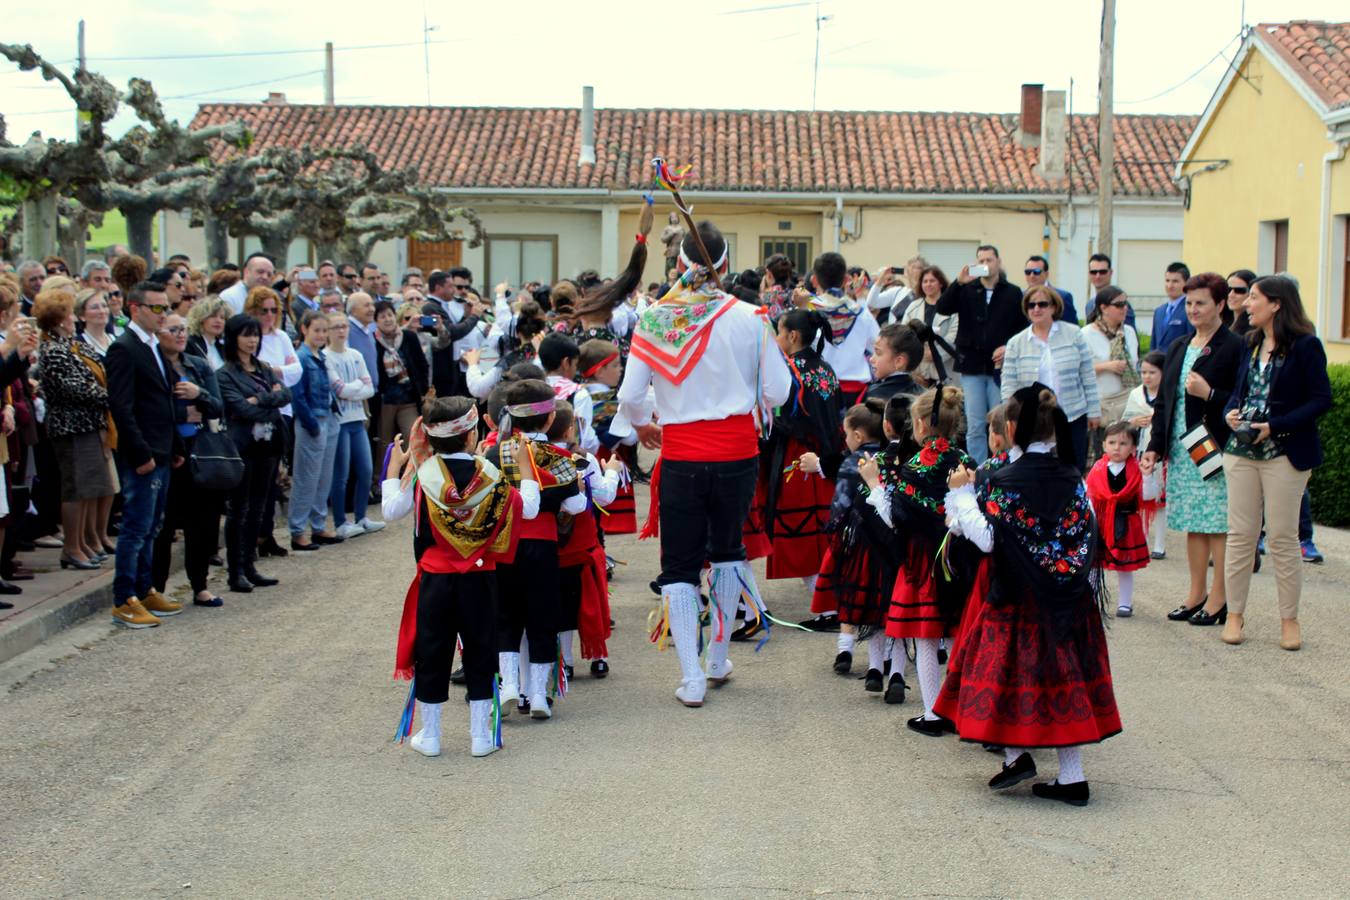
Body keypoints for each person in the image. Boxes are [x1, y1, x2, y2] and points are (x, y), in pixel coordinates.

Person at [619, 218, 792, 707]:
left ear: (679, 265)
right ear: (726, 265)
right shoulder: (752, 317)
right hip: (738, 450)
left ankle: (691, 675)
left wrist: (643, 425)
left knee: (679, 563)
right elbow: (778, 391)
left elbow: (632, 396)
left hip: (682, 453)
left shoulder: (655, 318)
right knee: (728, 550)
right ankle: (718, 656)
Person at [938, 385, 1121, 807]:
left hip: (1018, 598)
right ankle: (1069, 777)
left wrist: (963, 496)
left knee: (1009, 680)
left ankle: (1018, 756)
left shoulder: (1004, 481)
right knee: (1064, 682)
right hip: (1067, 598)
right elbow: (1086, 529)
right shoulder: (1073, 477)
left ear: (1012, 428)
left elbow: (986, 541)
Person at [382, 396, 530, 758]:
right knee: (481, 650)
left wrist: (393, 471)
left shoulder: (423, 475)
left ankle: (430, 735)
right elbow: (525, 509)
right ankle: (481, 736)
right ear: (471, 435)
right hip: (480, 578)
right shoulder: (491, 478)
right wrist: (526, 474)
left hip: (436, 579)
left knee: (432, 652)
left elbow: (390, 511)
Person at [1220, 275, 1332, 651]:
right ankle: (1234, 615)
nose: (1246, 304)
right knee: (1240, 537)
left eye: (1253, 298)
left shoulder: (1306, 346)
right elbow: (1239, 392)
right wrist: (1231, 413)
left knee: (1283, 538)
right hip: (1241, 452)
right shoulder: (1249, 342)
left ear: (1277, 304)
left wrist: (1275, 426)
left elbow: (1321, 400)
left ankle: (1289, 621)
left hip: (1285, 453)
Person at [861, 386, 971, 732]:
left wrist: (874, 485)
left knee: (926, 637)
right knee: (955, 636)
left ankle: (934, 712)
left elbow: (897, 517)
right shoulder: (964, 460)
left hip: (922, 562)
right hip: (959, 559)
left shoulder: (916, 466)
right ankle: (966, 710)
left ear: (921, 424)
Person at [1142, 272, 1243, 626]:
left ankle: (1220, 599)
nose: (1193, 309)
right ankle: (1196, 593)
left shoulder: (1234, 346)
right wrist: (1155, 446)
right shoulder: (1179, 345)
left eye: (1201, 303)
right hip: (1183, 448)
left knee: (1217, 523)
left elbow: (1240, 400)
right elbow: (1164, 402)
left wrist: (1210, 394)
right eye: (1189, 303)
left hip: (1214, 445)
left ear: (1220, 304)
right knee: (1192, 524)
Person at [483, 379, 588, 717]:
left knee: (506, 616)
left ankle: (510, 685)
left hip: (505, 545)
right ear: (548, 420)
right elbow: (575, 505)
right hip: (542, 546)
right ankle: (539, 696)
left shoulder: (494, 454)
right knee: (542, 617)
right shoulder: (560, 456)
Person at [104, 281, 184, 628]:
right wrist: (140, 453)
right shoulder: (124, 348)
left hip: (164, 448)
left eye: (165, 307)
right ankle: (124, 599)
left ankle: (145, 588)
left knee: (153, 526)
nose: (162, 314)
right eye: (156, 308)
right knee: (135, 528)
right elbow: (121, 406)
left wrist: (176, 446)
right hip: (143, 453)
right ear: (134, 309)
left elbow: (165, 399)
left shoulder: (154, 345)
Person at [798, 401, 885, 677]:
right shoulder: (886, 458)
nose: (844, 440)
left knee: (848, 593)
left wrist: (833, 527)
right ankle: (878, 660)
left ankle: (845, 649)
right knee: (875, 596)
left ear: (857, 436)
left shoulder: (851, 461)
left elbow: (842, 501)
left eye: (846, 434)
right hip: (880, 539)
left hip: (852, 539)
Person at [35, 288, 118, 572]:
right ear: (58, 320)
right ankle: (72, 547)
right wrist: (112, 397)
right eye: (69, 314)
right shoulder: (53, 350)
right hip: (71, 427)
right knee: (76, 489)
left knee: (89, 489)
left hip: (90, 424)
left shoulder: (72, 345)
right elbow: (74, 389)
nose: (73, 318)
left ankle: (82, 543)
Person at [149, 314, 227, 608]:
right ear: (158, 333)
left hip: (199, 451)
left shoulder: (198, 365)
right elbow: (149, 408)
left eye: (183, 329)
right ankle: (156, 588)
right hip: (168, 453)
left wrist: (199, 394)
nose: (180, 335)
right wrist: (182, 414)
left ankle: (200, 585)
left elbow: (217, 406)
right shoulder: (153, 365)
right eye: (173, 329)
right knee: (164, 525)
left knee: (203, 523)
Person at [761, 308, 843, 585]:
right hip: (825, 453)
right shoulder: (825, 367)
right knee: (820, 524)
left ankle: (827, 602)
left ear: (792, 336)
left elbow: (779, 415)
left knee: (801, 526)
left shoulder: (789, 370)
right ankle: (827, 597)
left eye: (779, 333)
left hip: (798, 455)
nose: (776, 339)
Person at [216, 314, 291, 592]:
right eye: (246, 335)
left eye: (255, 335)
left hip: (268, 445)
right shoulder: (225, 374)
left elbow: (285, 396)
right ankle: (235, 570)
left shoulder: (263, 368)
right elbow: (239, 409)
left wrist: (260, 398)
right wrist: (267, 402)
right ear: (233, 338)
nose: (252, 340)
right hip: (243, 447)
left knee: (260, 507)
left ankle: (250, 565)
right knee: (240, 509)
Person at [936, 244, 1027, 463]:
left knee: (1000, 419)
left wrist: (1008, 348)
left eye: (989, 260)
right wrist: (958, 283)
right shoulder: (967, 288)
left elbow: (1023, 327)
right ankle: (976, 467)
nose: (985, 265)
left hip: (1000, 367)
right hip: (972, 365)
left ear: (998, 262)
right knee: (975, 423)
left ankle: (1002, 462)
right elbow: (942, 308)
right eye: (981, 261)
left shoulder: (1012, 292)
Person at [1000, 285, 1101, 470]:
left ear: (1054, 307)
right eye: (1031, 305)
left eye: (1042, 304)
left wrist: (1094, 410)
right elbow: (1009, 384)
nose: (1036, 309)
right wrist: (1012, 415)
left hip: (1071, 414)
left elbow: (1087, 374)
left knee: (1072, 467)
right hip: (1032, 419)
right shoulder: (1016, 342)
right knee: (1036, 470)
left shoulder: (1074, 333)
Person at [244, 286, 301, 559]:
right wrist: (275, 377)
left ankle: (266, 535)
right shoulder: (250, 337)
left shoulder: (280, 337)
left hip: (283, 413)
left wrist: (274, 371)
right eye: (263, 310)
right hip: (258, 416)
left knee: (275, 475)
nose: (268, 315)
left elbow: (294, 371)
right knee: (258, 478)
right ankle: (253, 537)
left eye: (273, 310)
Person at [1086, 422, 1157, 617]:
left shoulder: (1137, 470)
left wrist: (1148, 477)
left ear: (1134, 448)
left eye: (1123, 443)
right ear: (1104, 445)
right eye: (1112, 442)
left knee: (1125, 566)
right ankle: (1090, 599)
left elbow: (1149, 496)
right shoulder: (1097, 469)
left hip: (1127, 522)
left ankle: (1125, 603)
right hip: (1101, 522)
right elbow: (1089, 497)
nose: (1117, 447)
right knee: (1094, 564)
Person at [287, 311, 344, 552]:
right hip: (312, 420)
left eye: (324, 330)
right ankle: (298, 530)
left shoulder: (320, 356)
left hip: (328, 417)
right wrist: (311, 424)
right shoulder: (300, 357)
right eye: (316, 330)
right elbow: (297, 395)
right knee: (306, 478)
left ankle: (318, 524)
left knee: (323, 477)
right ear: (304, 329)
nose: (321, 335)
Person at [324, 312, 383, 539]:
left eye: (344, 326)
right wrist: (356, 386)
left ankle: (362, 517)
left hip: (357, 419)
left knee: (366, 469)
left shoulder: (356, 355)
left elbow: (370, 389)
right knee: (341, 474)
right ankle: (340, 521)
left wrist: (353, 388)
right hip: (340, 422)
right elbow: (339, 390)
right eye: (336, 327)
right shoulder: (326, 357)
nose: (341, 330)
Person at [804, 252, 880, 405]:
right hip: (855, 392)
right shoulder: (861, 313)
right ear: (846, 279)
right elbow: (878, 345)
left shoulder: (807, 311)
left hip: (817, 389)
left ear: (814, 280)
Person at [1083, 285, 1141, 455]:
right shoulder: (1086, 334)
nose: (1125, 308)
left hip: (1128, 402)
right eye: (1119, 305)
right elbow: (1080, 370)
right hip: (1103, 404)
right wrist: (1107, 366)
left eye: (1126, 304)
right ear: (1103, 308)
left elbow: (1136, 363)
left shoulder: (1128, 331)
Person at [1123, 351, 1167, 558]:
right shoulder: (1135, 395)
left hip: (1160, 452)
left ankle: (1160, 544)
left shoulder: (1168, 394)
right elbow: (1124, 420)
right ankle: (1139, 539)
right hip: (1138, 449)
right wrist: (1134, 422)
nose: (1147, 376)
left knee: (1159, 499)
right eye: (1143, 372)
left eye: (1152, 372)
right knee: (1138, 495)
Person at [897, 266, 959, 387]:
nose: (928, 284)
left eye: (932, 281)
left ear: (941, 283)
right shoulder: (913, 308)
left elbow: (955, 336)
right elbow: (903, 335)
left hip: (946, 373)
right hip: (919, 374)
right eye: (925, 281)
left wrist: (936, 353)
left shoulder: (953, 307)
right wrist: (920, 353)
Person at [1151, 262, 1194, 353]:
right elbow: (1154, 344)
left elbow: (1192, 342)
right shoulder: (1159, 311)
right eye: (1167, 281)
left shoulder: (1191, 309)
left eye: (1175, 281)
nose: (1170, 286)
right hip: (1158, 365)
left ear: (1186, 283)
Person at [1024, 255, 1078, 325]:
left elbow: (1072, 328)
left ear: (1046, 274)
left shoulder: (1062, 297)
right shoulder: (1020, 296)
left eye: (1036, 271)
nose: (1032, 275)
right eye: (1028, 272)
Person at [186, 297, 230, 370]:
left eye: (222, 317)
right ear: (200, 318)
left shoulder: (222, 346)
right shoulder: (190, 344)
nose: (218, 321)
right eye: (213, 316)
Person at [1226, 269, 1256, 337]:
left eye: (1239, 290)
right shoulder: (1221, 323)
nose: (1231, 295)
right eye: (1228, 289)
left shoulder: (1253, 329)